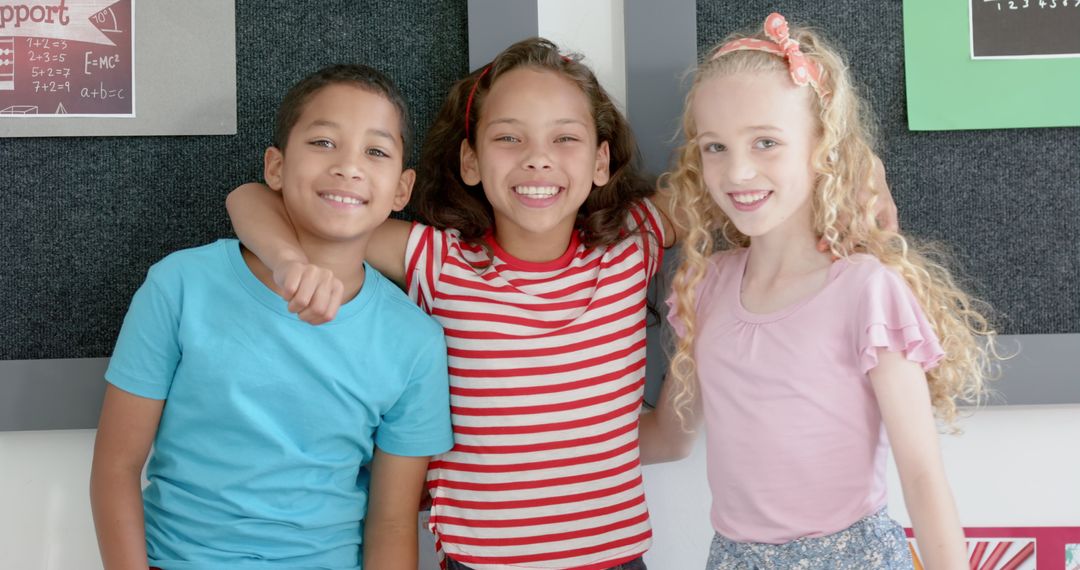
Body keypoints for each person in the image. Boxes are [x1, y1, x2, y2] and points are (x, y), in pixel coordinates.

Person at [228, 37, 670, 570]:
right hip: (477, 562)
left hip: (616, 560)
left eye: (565, 138)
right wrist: (286, 260)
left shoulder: (633, 244)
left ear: (601, 160)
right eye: (508, 137)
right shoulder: (438, 262)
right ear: (470, 160)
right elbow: (252, 198)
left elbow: (735, 185)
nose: (537, 159)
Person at [660, 13, 998, 570]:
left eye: (765, 142)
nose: (738, 171)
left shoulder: (865, 291)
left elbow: (921, 474)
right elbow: (671, 438)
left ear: (823, 148)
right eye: (715, 147)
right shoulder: (706, 284)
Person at [90, 64, 453, 570]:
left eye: (375, 151)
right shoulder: (180, 285)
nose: (349, 167)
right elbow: (115, 469)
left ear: (402, 188)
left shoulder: (414, 342)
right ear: (275, 167)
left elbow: (391, 523)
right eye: (324, 142)